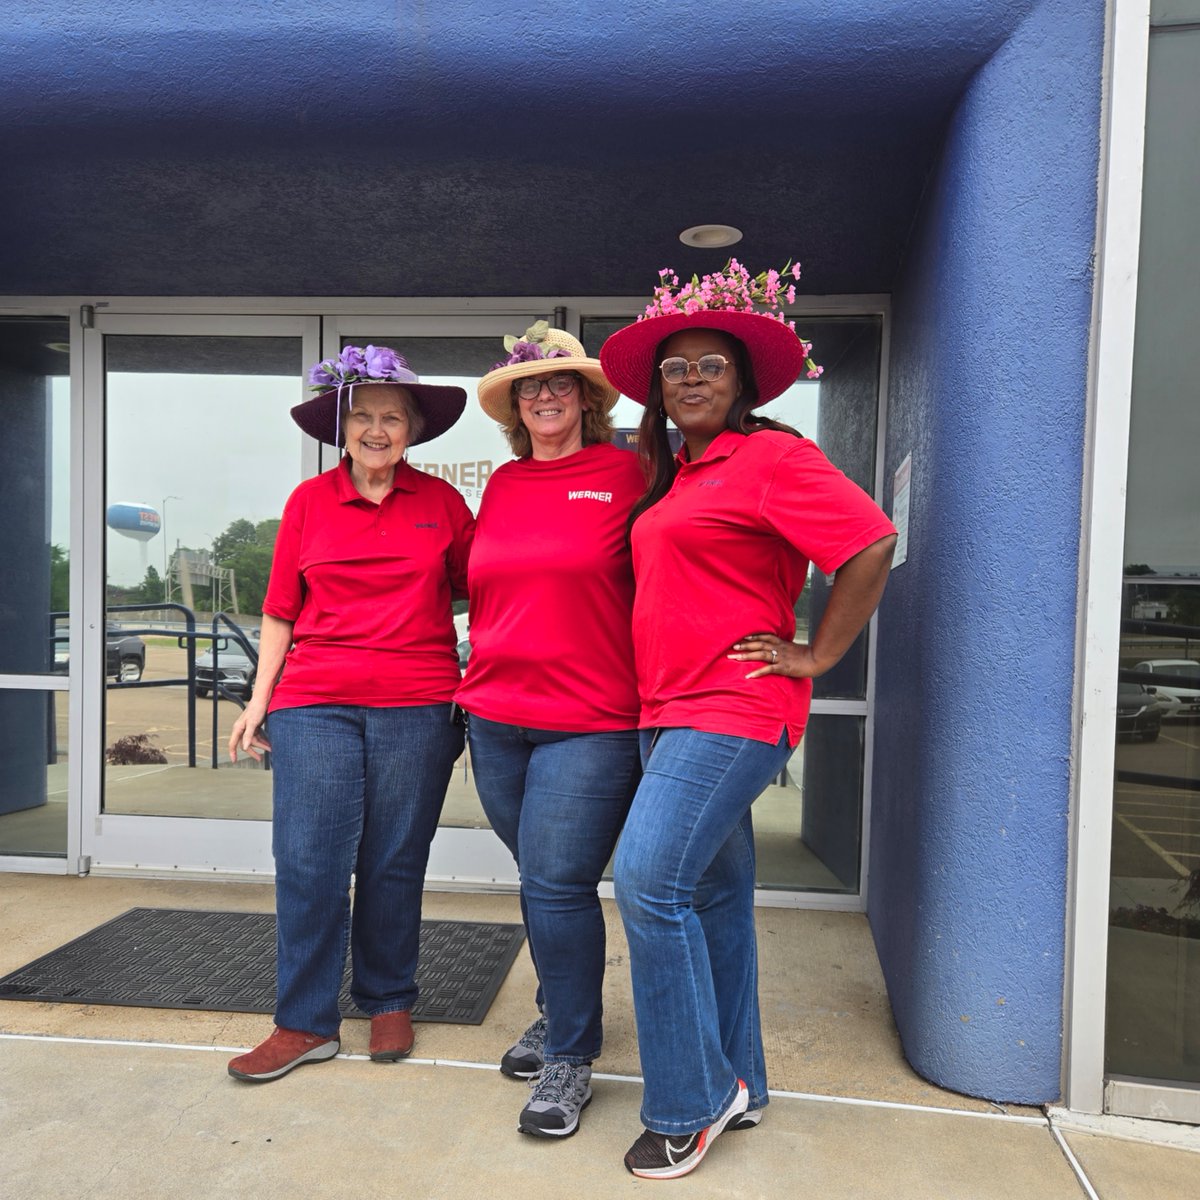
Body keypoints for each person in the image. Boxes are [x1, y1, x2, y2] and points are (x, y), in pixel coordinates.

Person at [599, 261, 898, 1179]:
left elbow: (871, 540)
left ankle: (689, 1102)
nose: (690, 377)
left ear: (743, 383)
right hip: (667, 711)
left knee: (648, 885)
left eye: (711, 365)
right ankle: (744, 1083)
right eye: (676, 366)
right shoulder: (677, 476)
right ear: (658, 387)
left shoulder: (771, 459)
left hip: (730, 710)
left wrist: (816, 653)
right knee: (714, 900)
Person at [225, 344, 473, 1083]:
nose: (375, 429)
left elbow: (488, 591)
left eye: (391, 417)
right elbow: (278, 611)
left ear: (412, 430)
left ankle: (388, 998)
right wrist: (259, 700)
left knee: (394, 859)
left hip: (419, 704)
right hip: (315, 705)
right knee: (309, 863)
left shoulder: (443, 506)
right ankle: (303, 1022)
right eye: (361, 416)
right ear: (342, 428)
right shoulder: (308, 504)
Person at [455, 323, 643, 1138]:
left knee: (558, 884)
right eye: (532, 385)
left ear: (589, 398)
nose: (546, 395)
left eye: (561, 383)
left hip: (590, 721)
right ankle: (560, 1007)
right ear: (515, 404)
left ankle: (571, 1053)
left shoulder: (629, 473)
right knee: (539, 877)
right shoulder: (503, 485)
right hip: (493, 716)